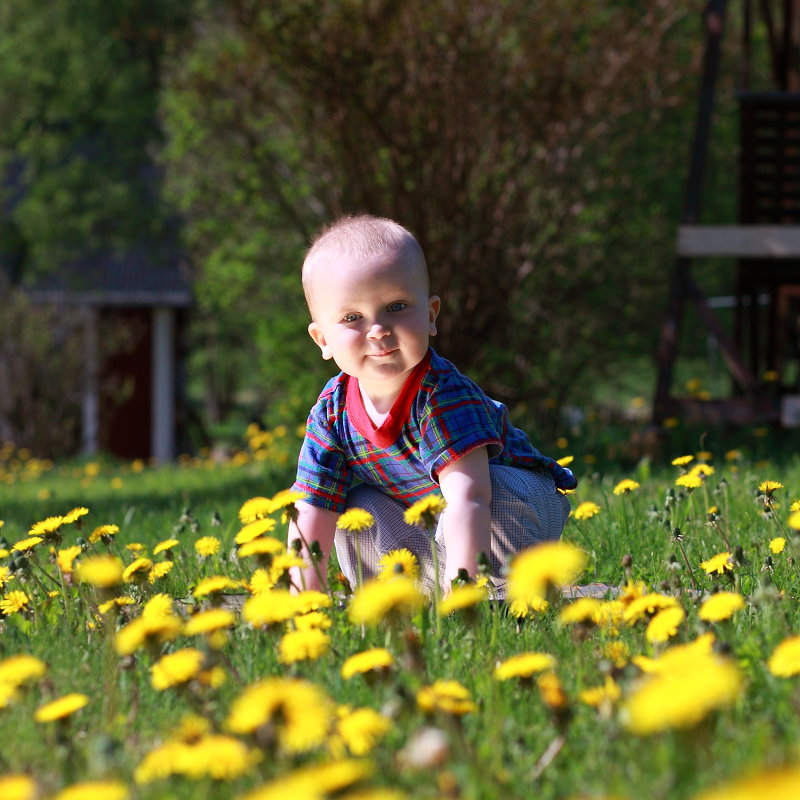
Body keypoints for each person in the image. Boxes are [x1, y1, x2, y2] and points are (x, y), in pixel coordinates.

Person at [287, 214, 576, 594]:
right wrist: (301, 597)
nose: (378, 330)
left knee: (498, 490)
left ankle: (501, 594)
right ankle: (399, 600)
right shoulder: (332, 412)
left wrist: (463, 589)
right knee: (353, 509)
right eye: (352, 317)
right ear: (322, 338)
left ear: (430, 315)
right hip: (430, 516)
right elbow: (311, 507)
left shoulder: (441, 394)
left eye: (396, 306)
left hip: (512, 504)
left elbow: (469, 497)